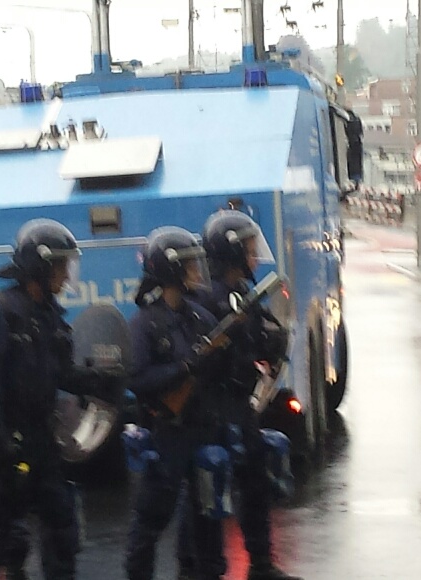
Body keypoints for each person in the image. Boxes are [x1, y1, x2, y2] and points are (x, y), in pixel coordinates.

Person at [0, 218, 106, 580]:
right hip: (6, 445)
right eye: (61, 265)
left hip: (41, 440)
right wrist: (0, 446)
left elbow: (60, 373)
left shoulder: (48, 317)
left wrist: (98, 381)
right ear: (40, 267)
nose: (66, 275)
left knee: (62, 525)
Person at [182, 210, 300, 580]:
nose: (254, 257)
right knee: (208, 491)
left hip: (239, 405)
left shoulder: (240, 294)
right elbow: (207, 354)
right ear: (230, 254)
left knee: (255, 481)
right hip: (214, 406)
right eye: (248, 250)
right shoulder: (208, 299)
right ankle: (200, 570)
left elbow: (254, 337)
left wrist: (269, 340)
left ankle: (261, 564)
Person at [124, 226, 230, 580]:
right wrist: (183, 368)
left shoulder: (199, 316)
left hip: (201, 429)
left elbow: (219, 360)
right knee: (151, 520)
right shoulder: (144, 324)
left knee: (208, 515)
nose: (197, 271)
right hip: (166, 433)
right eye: (189, 265)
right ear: (171, 270)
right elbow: (137, 379)